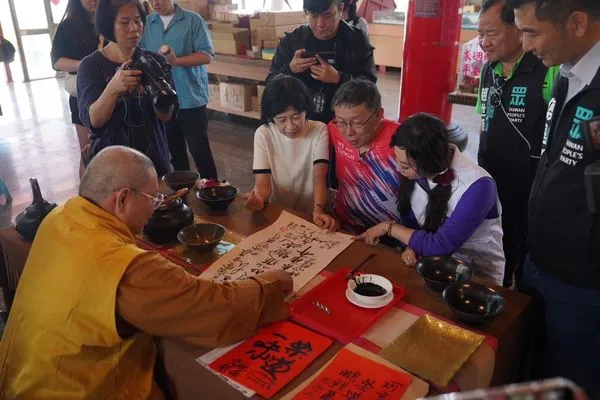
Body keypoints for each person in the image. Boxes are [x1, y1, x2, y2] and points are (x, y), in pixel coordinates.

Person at [0, 146, 292, 398]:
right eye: (153, 198)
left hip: (18, 375)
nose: (155, 207)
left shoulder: (60, 217)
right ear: (123, 198)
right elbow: (211, 309)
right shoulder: (127, 267)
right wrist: (267, 285)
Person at [508, 0, 600, 397]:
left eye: (531, 32)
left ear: (577, 22)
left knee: (574, 382)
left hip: (584, 281)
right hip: (538, 259)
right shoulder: (566, 73)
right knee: (532, 369)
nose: (525, 45)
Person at [357, 114, 505, 286]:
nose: (397, 168)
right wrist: (411, 246)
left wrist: (388, 228)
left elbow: (441, 244)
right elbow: (412, 218)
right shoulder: (417, 168)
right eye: (397, 159)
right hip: (432, 268)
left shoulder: (478, 186)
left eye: (404, 165)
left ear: (429, 163)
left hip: (476, 277)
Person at [475, 0, 559, 287]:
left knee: (526, 264)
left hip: (529, 188)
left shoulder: (546, 68)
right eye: (480, 34)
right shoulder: (489, 70)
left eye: (491, 34)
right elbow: (484, 122)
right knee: (495, 255)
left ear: (517, 29)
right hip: (491, 183)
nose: (484, 43)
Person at [77, 0, 175, 176]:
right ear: (108, 25)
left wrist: (154, 92)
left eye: (138, 21)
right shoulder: (90, 66)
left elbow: (166, 116)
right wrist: (113, 88)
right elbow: (93, 121)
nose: (134, 28)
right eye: (124, 22)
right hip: (111, 163)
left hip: (154, 160)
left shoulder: (156, 62)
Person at [244, 75, 337, 231]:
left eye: (296, 117)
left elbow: (319, 176)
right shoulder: (264, 133)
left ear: (306, 110)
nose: (290, 126)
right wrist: (258, 200)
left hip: (311, 210)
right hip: (277, 211)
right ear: (271, 117)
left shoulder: (319, 130)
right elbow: (263, 185)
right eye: (281, 120)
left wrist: (319, 209)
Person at [141, 0, 218, 178]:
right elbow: (141, 54)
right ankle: (183, 194)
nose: (155, 3)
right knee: (175, 152)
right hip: (162, 100)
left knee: (200, 151)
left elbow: (206, 55)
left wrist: (175, 62)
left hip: (190, 97)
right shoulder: (147, 24)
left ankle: (214, 192)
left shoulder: (193, 20)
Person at [267, 0, 376, 124]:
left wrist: (339, 78)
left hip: (343, 122)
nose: (320, 24)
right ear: (305, 13)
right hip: (300, 122)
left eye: (327, 15)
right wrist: (290, 69)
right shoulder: (292, 41)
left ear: (340, 10)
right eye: (313, 16)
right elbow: (270, 82)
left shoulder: (357, 41)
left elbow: (370, 88)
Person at [328, 79, 402, 235]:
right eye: (341, 122)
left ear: (379, 115)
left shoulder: (401, 140)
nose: (348, 132)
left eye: (357, 123)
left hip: (391, 233)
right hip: (345, 226)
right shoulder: (333, 129)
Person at [51, 0, 103, 177]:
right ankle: (86, 200)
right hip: (83, 95)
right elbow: (57, 62)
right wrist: (87, 65)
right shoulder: (68, 27)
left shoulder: (111, 21)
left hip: (114, 91)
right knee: (89, 152)